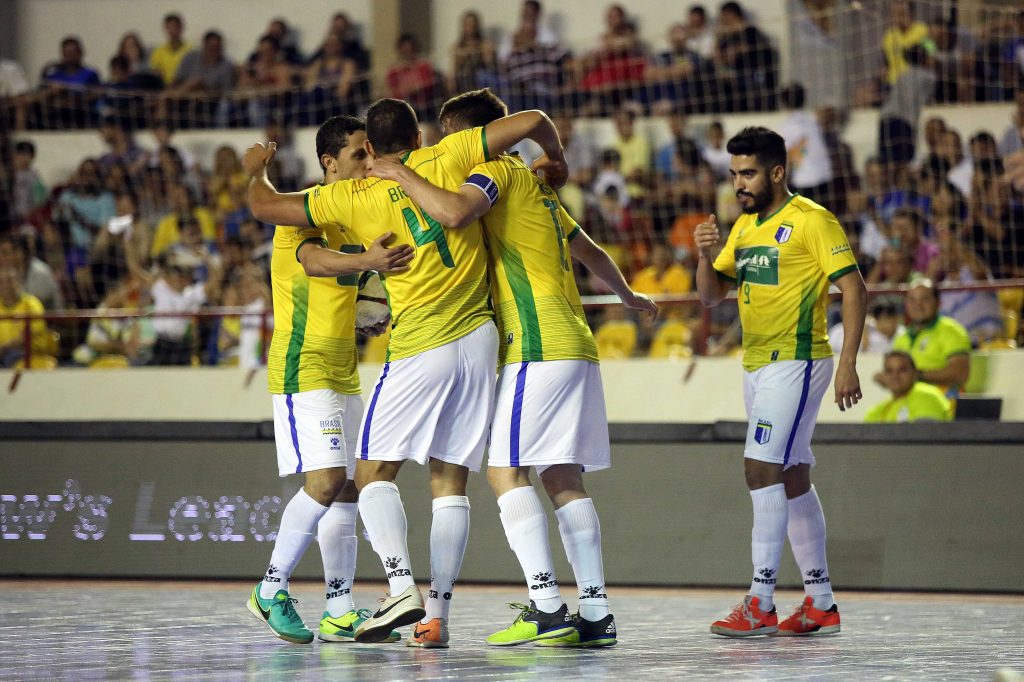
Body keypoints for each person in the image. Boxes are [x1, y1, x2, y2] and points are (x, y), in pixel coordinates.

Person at [244, 97, 568, 647]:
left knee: (367, 477)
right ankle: (419, 611)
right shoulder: (449, 157)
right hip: (478, 339)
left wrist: (254, 171)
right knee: (445, 482)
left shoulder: (350, 198)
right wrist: (555, 162)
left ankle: (397, 590)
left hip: (419, 344)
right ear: (419, 137)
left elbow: (264, 207)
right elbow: (535, 121)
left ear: (370, 148)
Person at [369, 88, 657, 648]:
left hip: (536, 343)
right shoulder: (540, 189)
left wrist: (400, 172)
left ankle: (547, 606)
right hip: (575, 341)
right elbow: (591, 251)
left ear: (471, 138)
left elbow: (452, 213)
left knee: (503, 472)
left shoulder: (494, 173)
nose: (447, 150)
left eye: (452, 139)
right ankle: (595, 613)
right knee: (562, 477)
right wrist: (626, 296)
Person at [246, 115, 415, 645]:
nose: (369, 163)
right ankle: (270, 589)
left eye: (372, 153)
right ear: (329, 162)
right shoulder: (306, 212)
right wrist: (369, 261)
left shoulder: (358, 213)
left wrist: (373, 307)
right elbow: (313, 261)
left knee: (345, 488)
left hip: (342, 364)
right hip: (303, 364)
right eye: (360, 155)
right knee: (323, 482)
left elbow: (352, 284)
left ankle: (339, 606)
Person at [694, 126, 867, 637]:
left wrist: (848, 362)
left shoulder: (812, 221)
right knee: (791, 476)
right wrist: (704, 255)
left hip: (796, 360)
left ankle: (761, 601)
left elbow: (854, 288)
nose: (738, 185)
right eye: (733, 175)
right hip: (757, 366)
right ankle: (820, 602)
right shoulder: (744, 228)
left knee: (759, 468)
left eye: (747, 174)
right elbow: (710, 297)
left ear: (777, 172)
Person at [889, 278, 971, 398]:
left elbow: (960, 373)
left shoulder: (952, 330)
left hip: (944, 404)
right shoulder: (901, 337)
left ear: (938, 302)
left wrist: (917, 375)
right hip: (908, 405)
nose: (918, 305)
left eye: (925, 299)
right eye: (912, 299)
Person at [865, 350, 953, 423]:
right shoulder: (881, 409)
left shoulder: (925, 395)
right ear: (883, 375)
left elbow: (926, 435)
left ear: (914, 373)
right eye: (889, 371)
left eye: (902, 370)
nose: (895, 376)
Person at [150, 13, 191, 87]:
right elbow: (155, 71)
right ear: (165, 29)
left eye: (175, 27)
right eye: (169, 27)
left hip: (184, 88)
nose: (172, 30)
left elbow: (194, 73)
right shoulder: (159, 51)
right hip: (164, 87)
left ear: (181, 28)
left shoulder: (191, 50)